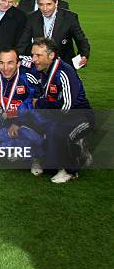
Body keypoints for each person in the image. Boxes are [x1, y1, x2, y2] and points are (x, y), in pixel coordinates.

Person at [30, 38, 93, 183]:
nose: (34, 59)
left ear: (51, 55)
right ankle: (60, 158)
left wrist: (40, 103)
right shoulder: (43, 70)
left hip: (81, 117)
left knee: (57, 131)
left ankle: (70, 170)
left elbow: (66, 107)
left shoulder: (64, 72)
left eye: (38, 55)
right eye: (33, 55)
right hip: (61, 115)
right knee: (34, 123)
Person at [17, 0, 90, 66]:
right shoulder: (31, 18)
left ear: (56, 3)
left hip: (64, 64)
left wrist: (83, 55)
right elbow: (23, 42)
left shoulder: (69, 17)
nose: (45, 8)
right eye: (41, 4)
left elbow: (81, 40)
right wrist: (16, 58)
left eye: (49, 4)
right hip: (40, 65)